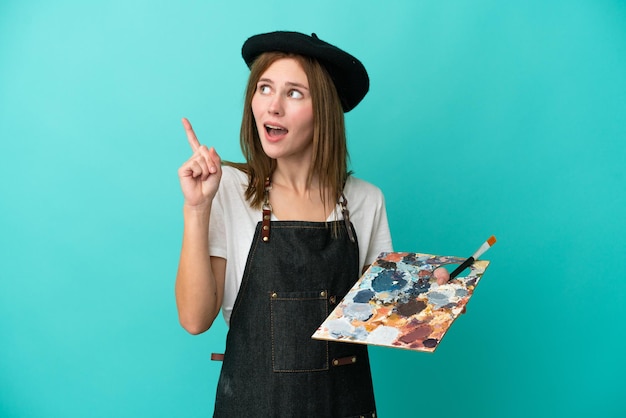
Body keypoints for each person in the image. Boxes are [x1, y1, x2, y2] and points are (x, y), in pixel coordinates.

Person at [175, 30, 448, 417]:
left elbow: (380, 317)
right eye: (265, 88)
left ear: (324, 109)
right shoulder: (229, 189)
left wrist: (435, 302)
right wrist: (196, 209)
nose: (273, 107)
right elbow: (194, 319)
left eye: (294, 93)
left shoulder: (365, 201)